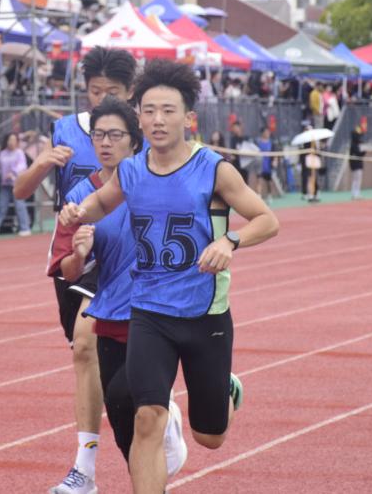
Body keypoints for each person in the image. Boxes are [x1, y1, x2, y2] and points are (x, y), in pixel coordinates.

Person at [59, 59, 279, 494]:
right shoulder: (131, 170)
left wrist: (229, 241)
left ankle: (226, 389)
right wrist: (77, 211)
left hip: (203, 313)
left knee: (209, 435)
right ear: (139, 117)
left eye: (168, 111)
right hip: (149, 312)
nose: (158, 120)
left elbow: (267, 220)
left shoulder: (213, 169)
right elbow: (101, 203)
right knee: (147, 418)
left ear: (188, 118)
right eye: (149, 111)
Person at [14, 47, 138, 494]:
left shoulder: (142, 130)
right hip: (78, 249)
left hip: (127, 247)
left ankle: (85, 468)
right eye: (95, 90)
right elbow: (20, 191)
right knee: (88, 354)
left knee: (90, 341)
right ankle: (91, 465)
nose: (103, 98)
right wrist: (42, 162)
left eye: (113, 91)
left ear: (131, 92)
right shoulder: (65, 129)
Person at [50, 97, 187, 480]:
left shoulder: (160, 180)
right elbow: (68, 271)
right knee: (122, 417)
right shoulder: (80, 197)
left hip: (157, 312)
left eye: (114, 135)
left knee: (133, 397)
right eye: (98, 135)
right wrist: (79, 254)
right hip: (111, 312)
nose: (105, 143)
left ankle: (174, 406)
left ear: (134, 140)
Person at [0, 133, 31, 237]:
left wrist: (13, 173)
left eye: (14, 140)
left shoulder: (19, 153)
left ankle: (25, 228)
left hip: (17, 184)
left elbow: (23, 166)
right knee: (1, 206)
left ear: (17, 142)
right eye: (10, 140)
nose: (11, 142)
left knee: (20, 206)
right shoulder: (2, 154)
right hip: (5, 185)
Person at [255, 126, 277, 200]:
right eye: (266, 132)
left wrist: (275, 160)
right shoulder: (258, 143)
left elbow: (275, 153)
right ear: (262, 133)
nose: (267, 133)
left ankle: (269, 195)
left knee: (269, 181)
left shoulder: (271, 143)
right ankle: (259, 196)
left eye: (268, 132)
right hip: (260, 164)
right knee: (259, 180)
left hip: (268, 165)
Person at [349, 116, 366, 200]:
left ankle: (356, 193)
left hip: (357, 163)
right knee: (356, 179)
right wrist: (363, 153)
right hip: (356, 164)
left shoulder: (356, 144)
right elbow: (358, 153)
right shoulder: (354, 145)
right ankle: (355, 193)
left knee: (356, 179)